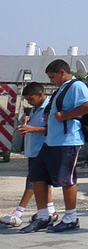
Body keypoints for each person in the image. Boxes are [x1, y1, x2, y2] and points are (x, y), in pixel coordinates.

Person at [20, 59, 88, 234]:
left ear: (62, 72)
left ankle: (71, 218)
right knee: (37, 177)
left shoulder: (76, 86)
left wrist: (66, 115)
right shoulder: (62, 88)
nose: (52, 80)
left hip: (67, 141)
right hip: (51, 142)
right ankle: (43, 217)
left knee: (66, 180)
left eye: (53, 77)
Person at [0, 84, 58, 228]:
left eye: (31, 99)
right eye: (27, 100)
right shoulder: (35, 108)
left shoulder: (49, 107)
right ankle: (50, 210)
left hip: (42, 149)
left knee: (33, 181)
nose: (29, 102)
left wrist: (32, 128)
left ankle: (18, 212)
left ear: (40, 94)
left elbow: (51, 128)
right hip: (33, 149)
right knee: (43, 181)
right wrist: (27, 121)